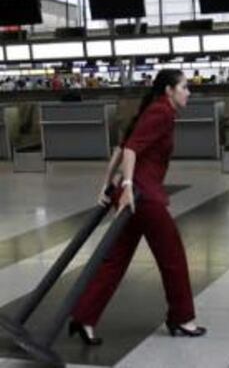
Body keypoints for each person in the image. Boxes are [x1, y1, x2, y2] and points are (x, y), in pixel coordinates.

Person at [69, 69, 206, 345]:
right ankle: (182, 318)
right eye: (184, 87)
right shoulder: (162, 113)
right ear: (169, 90)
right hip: (144, 197)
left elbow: (122, 148)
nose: (188, 92)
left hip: (134, 196)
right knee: (173, 257)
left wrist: (109, 184)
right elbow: (130, 150)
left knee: (115, 259)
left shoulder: (152, 110)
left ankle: (84, 317)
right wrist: (128, 185)